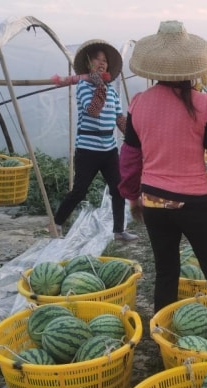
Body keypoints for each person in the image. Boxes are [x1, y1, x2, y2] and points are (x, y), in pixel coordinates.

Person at [118, 21, 207, 312]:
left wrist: (130, 193)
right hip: (193, 202)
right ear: (192, 68)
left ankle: (162, 332)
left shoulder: (139, 103)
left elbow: (129, 158)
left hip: (152, 199)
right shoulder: (205, 104)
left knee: (166, 270)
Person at [52, 39, 137, 241]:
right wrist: (99, 85)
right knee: (80, 190)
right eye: (97, 60)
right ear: (89, 64)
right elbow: (93, 111)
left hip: (109, 149)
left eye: (105, 60)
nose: (102, 63)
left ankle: (118, 231)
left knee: (118, 189)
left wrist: (134, 137)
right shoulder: (82, 86)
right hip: (87, 149)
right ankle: (56, 223)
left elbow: (119, 118)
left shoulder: (112, 92)